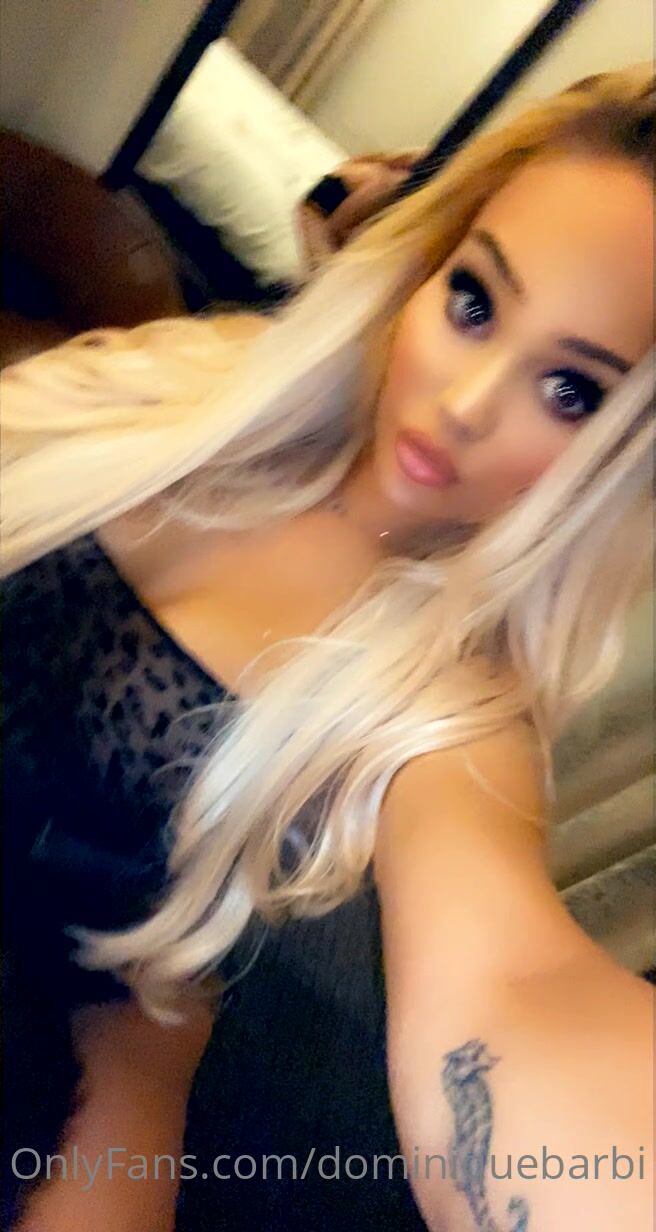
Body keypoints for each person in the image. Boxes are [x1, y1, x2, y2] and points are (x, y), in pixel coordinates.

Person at [1, 64, 654, 1232]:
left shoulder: (452, 716)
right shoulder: (184, 382)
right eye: (472, 302)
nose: (463, 402)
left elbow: (514, 985)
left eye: (568, 389)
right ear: (427, 263)